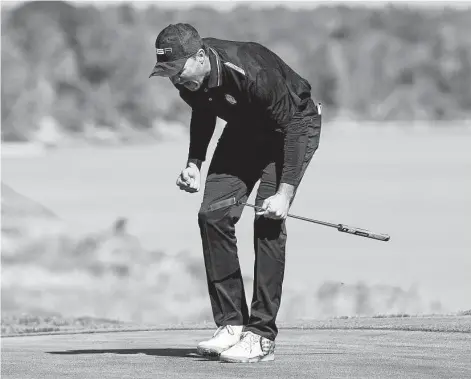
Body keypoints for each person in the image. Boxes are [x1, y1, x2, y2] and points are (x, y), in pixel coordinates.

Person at [149, 23, 322, 363]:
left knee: (268, 222)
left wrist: (285, 194)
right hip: (246, 130)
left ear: (200, 57)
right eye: (168, 73)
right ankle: (231, 324)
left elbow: (295, 128)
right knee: (212, 215)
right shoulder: (188, 79)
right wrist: (194, 162)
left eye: (178, 71)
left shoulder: (250, 69)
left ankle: (261, 335)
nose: (175, 80)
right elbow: (203, 111)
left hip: (292, 129)